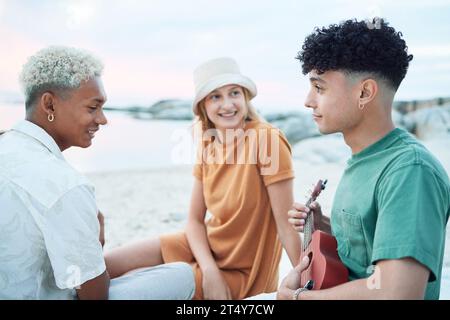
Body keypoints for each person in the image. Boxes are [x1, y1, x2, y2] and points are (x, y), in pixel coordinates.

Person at [0, 46, 195, 300]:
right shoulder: (66, 185)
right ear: (49, 104)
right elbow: (94, 295)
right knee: (181, 275)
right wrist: (97, 237)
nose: (102, 120)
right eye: (93, 108)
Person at [277, 18, 450, 300]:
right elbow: (371, 250)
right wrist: (327, 229)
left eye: (319, 88)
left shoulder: (409, 170)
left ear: (365, 92)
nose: (308, 101)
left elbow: (398, 291)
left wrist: (297, 297)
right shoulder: (363, 158)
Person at [105, 57, 302, 299]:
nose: (227, 104)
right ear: (203, 106)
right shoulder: (208, 143)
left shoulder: (268, 140)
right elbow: (194, 221)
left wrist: (307, 283)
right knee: (105, 266)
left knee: (131, 286)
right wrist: (209, 271)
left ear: (245, 98)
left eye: (234, 93)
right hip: (204, 248)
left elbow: (286, 224)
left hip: (242, 271)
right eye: (215, 96)